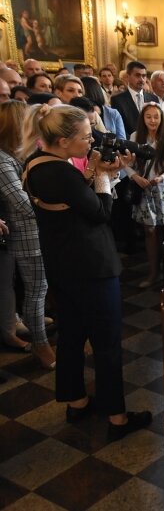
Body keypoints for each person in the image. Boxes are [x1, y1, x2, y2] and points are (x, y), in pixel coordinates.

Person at [22, 104, 150, 439]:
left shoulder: (36, 164)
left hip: (62, 266)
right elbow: (99, 211)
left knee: (72, 336)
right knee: (107, 343)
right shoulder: (61, 172)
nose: (91, 140)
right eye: (85, 136)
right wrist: (107, 175)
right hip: (91, 267)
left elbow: (74, 203)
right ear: (63, 142)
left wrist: (94, 169)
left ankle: (76, 402)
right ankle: (117, 418)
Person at [0, 100, 56, 368]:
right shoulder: (3, 160)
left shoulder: (17, 154)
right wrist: (57, 203)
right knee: (36, 291)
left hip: (38, 231)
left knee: (40, 290)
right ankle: (40, 344)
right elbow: (21, 203)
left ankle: (37, 331)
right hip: (25, 235)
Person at [127, 103, 164, 287]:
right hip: (143, 188)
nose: (152, 120)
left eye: (156, 116)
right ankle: (153, 272)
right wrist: (135, 177)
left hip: (162, 190)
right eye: (149, 117)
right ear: (143, 119)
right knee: (150, 231)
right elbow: (127, 164)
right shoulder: (135, 137)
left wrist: (160, 178)